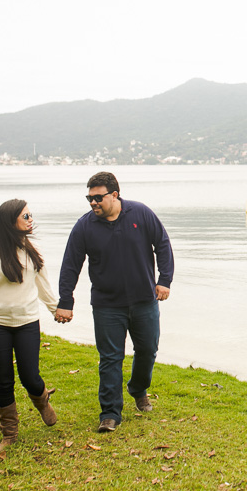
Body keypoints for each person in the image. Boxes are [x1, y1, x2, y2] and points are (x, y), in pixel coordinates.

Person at [55, 171, 174, 433]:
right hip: (107, 305)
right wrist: (66, 301)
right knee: (110, 358)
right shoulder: (84, 226)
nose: (93, 202)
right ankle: (110, 413)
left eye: (98, 197)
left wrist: (164, 280)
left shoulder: (141, 213)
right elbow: (70, 265)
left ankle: (138, 389)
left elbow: (163, 244)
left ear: (115, 195)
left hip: (144, 301)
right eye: (89, 198)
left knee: (148, 350)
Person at [0, 199, 59, 453]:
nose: (31, 219)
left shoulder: (33, 250)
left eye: (31, 215)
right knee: (3, 380)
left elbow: (44, 286)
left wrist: (56, 310)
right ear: (10, 222)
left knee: (30, 376)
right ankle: (9, 433)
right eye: (25, 216)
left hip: (27, 322)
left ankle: (42, 399)